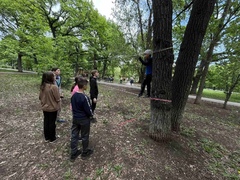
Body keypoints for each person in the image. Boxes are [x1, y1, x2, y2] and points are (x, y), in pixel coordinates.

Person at [70, 77, 94, 161]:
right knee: (85, 135)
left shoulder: (73, 96)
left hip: (75, 118)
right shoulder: (85, 97)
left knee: (74, 135)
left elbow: (73, 107)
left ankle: (73, 153)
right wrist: (91, 116)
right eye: (86, 85)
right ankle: (84, 152)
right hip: (84, 120)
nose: (87, 86)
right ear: (83, 86)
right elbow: (89, 110)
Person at [39, 71, 61, 142]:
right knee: (52, 123)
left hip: (45, 107)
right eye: (53, 76)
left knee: (46, 121)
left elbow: (40, 97)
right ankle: (52, 138)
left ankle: (47, 137)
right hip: (53, 108)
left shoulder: (43, 86)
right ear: (50, 78)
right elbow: (57, 99)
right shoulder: (53, 87)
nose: (55, 77)